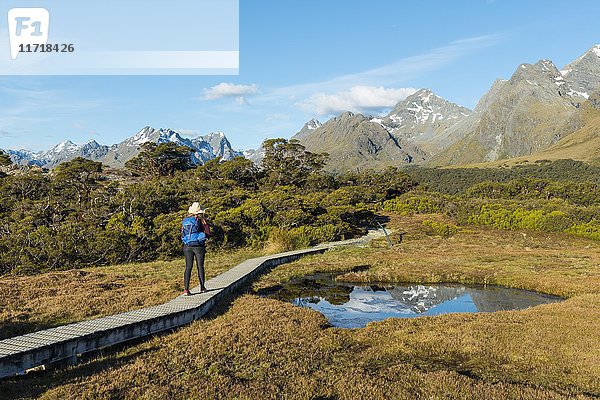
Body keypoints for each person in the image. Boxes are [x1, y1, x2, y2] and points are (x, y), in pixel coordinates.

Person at [181, 202, 212, 296]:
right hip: (199, 246)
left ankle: (186, 289)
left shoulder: (185, 221)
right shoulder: (201, 220)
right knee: (200, 266)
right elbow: (208, 233)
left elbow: (182, 234)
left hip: (187, 246)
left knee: (188, 267)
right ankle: (202, 287)